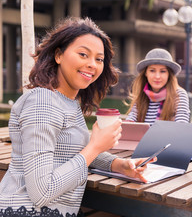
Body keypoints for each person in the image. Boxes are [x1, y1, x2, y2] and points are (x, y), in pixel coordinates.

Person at [0, 17, 153, 216]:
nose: (92, 64)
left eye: (99, 59)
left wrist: (121, 165)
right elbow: (42, 191)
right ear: (58, 55)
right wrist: (95, 146)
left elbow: (73, 150)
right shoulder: (42, 102)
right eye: (83, 54)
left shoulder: (68, 103)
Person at [126, 48, 190, 124]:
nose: (157, 76)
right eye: (152, 70)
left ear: (169, 74)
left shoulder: (179, 95)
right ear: (146, 73)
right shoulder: (142, 94)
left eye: (162, 71)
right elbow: (130, 120)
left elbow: (182, 124)